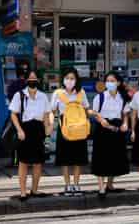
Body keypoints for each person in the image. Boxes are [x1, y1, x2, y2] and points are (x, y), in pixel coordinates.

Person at [9, 71, 53, 202]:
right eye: (30, 78)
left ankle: (34, 190)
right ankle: (23, 192)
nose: (32, 80)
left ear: (38, 80)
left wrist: (47, 128)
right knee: (23, 162)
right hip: (25, 129)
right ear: (26, 80)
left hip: (38, 129)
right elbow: (13, 114)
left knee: (38, 162)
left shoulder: (43, 96)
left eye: (35, 78)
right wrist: (19, 130)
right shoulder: (19, 95)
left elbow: (46, 114)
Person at [49, 68, 90, 196]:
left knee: (78, 159)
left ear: (76, 80)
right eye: (67, 78)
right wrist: (50, 124)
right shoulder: (57, 93)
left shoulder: (81, 93)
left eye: (72, 78)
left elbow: (87, 109)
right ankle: (67, 185)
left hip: (79, 129)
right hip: (65, 129)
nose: (69, 81)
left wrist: (97, 117)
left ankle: (76, 184)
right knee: (65, 159)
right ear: (63, 79)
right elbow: (52, 111)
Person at [91, 71, 130, 199]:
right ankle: (101, 187)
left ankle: (110, 184)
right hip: (103, 129)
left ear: (118, 83)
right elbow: (94, 113)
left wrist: (125, 124)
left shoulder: (123, 97)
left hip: (117, 130)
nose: (110, 83)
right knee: (101, 158)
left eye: (113, 81)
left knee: (114, 157)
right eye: (108, 81)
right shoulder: (100, 97)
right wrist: (101, 120)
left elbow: (125, 114)